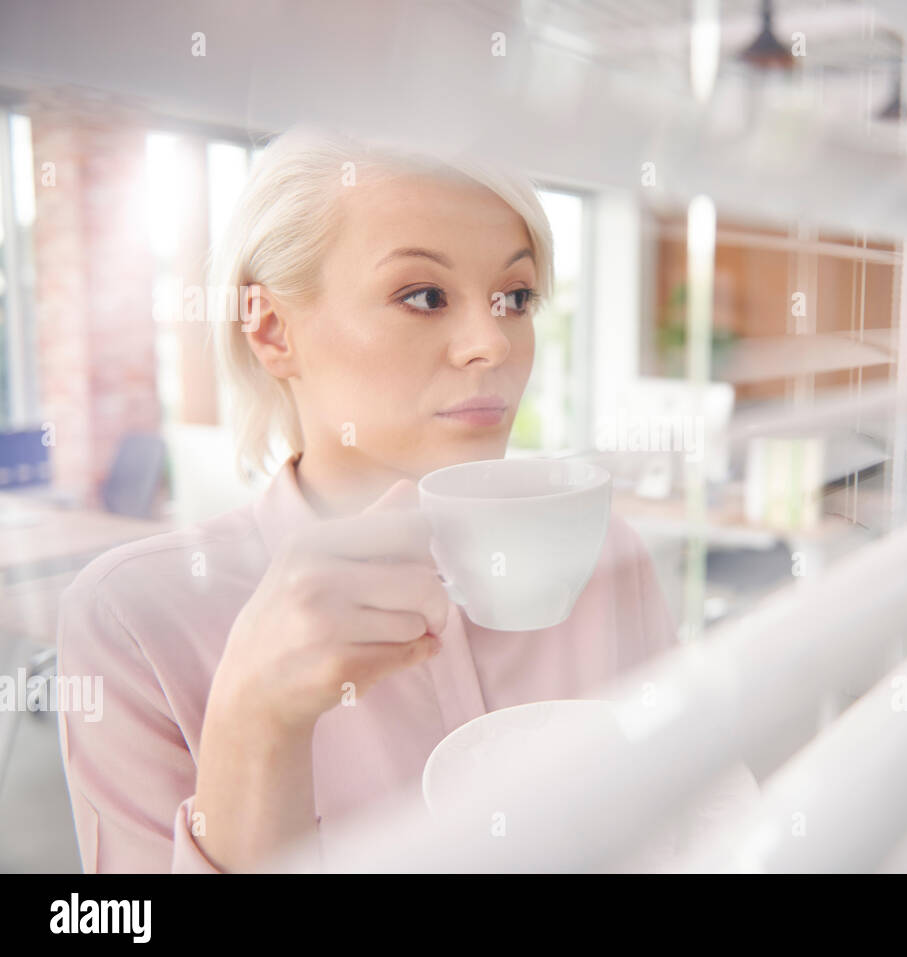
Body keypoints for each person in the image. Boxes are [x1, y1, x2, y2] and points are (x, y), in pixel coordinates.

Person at [55, 127, 680, 873]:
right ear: (272, 328)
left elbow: (692, 815)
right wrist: (254, 724)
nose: (493, 342)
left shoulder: (609, 558)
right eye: (423, 295)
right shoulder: (139, 622)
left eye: (515, 296)